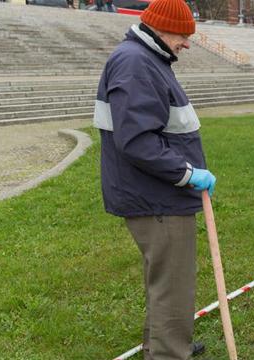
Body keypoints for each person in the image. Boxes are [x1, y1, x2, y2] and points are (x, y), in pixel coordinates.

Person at [92, 0, 213, 357]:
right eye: (183, 35)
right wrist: (187, 174)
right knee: (173, 285)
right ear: (160, 27)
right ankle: (169, 352)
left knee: (164, 282)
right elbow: (138, 141)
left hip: (158, 194)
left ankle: (164, 345)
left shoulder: (148, 59)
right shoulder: (135, 63)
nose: (187, 43)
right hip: (158, 198)